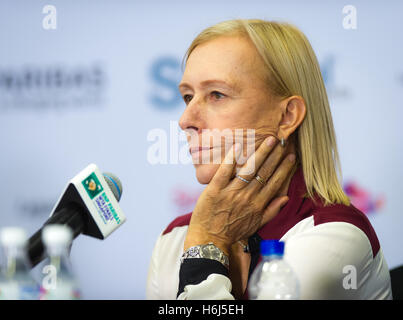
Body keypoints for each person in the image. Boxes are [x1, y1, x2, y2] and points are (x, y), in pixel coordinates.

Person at [146, 19, 392, 300]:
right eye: (187, 96)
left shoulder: (335, 234)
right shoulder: (174, 237)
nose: (185, 119)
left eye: (216, 94)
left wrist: (206, 242)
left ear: (287, 116)